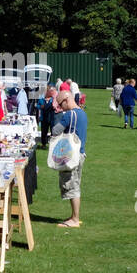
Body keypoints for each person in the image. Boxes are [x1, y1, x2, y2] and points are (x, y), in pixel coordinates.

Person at [51, 88, 88, 228]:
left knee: (72, 186)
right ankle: (74, 216)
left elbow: (55, 130)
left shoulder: (69, 115)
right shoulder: (82, 113)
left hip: (71, 155)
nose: (60, 108)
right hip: (81, 153)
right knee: (75, 184)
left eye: (61, 105)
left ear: (66, 100)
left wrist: (60, 115)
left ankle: (75, 219)